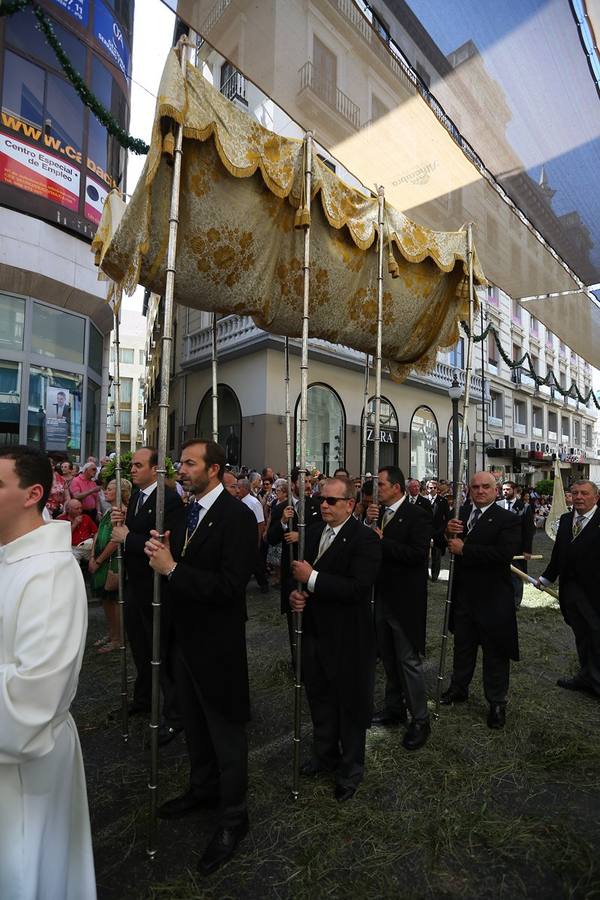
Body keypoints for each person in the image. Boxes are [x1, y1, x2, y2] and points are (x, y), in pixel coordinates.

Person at [145, 440, 256, 875]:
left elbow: (230, 586)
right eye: (181, 463)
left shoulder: (238, 517)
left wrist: (173, 568)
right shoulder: (186, 511)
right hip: (184, 641)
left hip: (218, 646)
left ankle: (233, 818)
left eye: (190, 463)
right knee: (194, 724)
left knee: (225, 733)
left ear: (213, 470)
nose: (181, 469)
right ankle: (202, 788)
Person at [0, 445, 96, 900]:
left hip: (25, 770)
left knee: (25, 873)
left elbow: (32, 703)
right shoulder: (9, 557)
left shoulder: (52, 574)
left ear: (32, 493)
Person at [290, 476, 381, 800]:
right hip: (315, 631)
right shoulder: (313, 533)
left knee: (349, 705)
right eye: (320, 500)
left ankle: (349, 769)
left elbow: (358, 588)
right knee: (319, 697)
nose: (323, 506)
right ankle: (324, 755)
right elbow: (301, 584)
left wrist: (311, 579)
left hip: (349, 637)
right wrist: (298, 595)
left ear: (351, 505)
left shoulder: (364, 540)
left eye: (331, 501)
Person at [111, 447, 183, 744]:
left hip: (158, 589)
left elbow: (165, 543)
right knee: (140, 646)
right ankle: (144, 698)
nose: (133, 469)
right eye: (132, 465)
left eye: (139, 465)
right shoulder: (138, 498)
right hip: (137, 585)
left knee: (160, 652)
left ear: (155, 469)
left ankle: (174, 714)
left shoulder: (169, 500)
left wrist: (128, 536)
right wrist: (121, 523)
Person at [442, 472, 521, 728]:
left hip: (493, 598)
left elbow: (504, 554)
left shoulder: (507, 519)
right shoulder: (461, 513)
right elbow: (445, 542)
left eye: (486, 486)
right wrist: (446, 532)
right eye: (475, 487)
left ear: (496, 490)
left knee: (495, 652)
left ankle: (496, 702)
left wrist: (465, 549)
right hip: (464, 596)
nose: (480, 491)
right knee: (462, 646)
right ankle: (458, 688)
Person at [366, 467, 433, 749]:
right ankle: (394, 709)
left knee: (407, 660)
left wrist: (384, 542)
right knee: (389, 659)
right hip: (381, 596)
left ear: (396, 487)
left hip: (405, 600)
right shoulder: (378, 514)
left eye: (380, 485)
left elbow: (418, 555)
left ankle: (420, 718)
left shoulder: (417, 515)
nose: (376, 489)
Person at [537, 480, 600, 697]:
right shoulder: (565, 520)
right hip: (570, 591)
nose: (579, 497)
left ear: (596, 497)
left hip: (595, 593)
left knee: (596, 635)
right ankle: (586, 676)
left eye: (584, 493)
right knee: (581, 634)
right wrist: (546, 578)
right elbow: (558, 555)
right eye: (575, 493)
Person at [267, 467, 321, 665]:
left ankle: (314, 661)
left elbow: (323, 533)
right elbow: (271, 539)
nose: (307, 485)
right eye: (302, 482)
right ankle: (297, 661)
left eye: (308, 482)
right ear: (292, 484)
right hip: (290, 573)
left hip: (311, 570)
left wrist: (302, 536)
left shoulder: (318, 505)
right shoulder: (282, 507)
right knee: (293, 619)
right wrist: (282, 522)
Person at [89, 478, 132, 654]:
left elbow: (116, 540)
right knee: (105, 599)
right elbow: (98, 534)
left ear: (120, 492)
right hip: (101, 558)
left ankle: (117, 639)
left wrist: (99, 560)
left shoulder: (121, 511)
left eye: (110, 489)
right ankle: (112, 633)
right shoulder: (108, 511)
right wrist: (92, 556)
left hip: (112, 560)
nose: (105, 492)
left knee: (114, 599)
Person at [497, 481, 535, 607]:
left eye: (507, 489)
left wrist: (527, 550)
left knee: (516, 577)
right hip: (499, 548)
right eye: (503, 490)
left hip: (517, 550)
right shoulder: (497, 505)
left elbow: (528, 531)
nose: (505, 492)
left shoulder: (524, 507)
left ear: (515, 490)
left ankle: (515, 602)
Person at [238, 477, 269, 593]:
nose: (237, 490)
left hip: (252, 539)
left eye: (238, 487)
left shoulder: (253, 502)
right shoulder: (240, 501)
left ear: (244, 489)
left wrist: (258, 540)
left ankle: (263, 583)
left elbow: (260, 522)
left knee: (257, 563)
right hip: (242, 538)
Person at [425, 478, 450, 582]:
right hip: (425, 532)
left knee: (437, 555)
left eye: (435, 488)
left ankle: (435, 575)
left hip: (438, 532)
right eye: (431, 488)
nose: (433, 489)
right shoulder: (423, 500)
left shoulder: (443, 501)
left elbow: (447, 517)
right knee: (424, 554)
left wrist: (441, 530)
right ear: (427, 488)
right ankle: (425, 574)